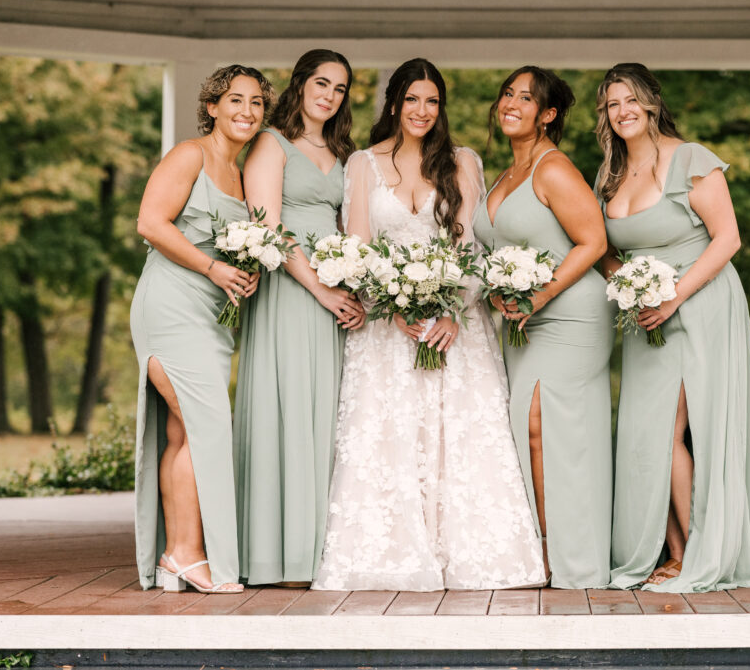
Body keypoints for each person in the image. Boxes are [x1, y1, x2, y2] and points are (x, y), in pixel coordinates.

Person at [312, 58, 544, 592]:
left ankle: (471, 553)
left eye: (432, 101)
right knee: (392, 433)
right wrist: (392, 305)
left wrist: (453, 311)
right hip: (386, 330)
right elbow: (361, 249)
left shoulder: (463, 161)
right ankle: (394, 553)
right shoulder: (364, 165)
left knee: (457, 436)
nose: (422, 111)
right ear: (393, 104)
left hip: (455, 323)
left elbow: (472, 245)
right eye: (412, 99)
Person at [598, 62, 750, 592]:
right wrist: (626, 282)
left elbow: (728, 239)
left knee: (672, 430)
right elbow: (604, 250)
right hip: (644, 314)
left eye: (631, 100)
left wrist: (673, 296)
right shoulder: (608, 174)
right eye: (611, 104)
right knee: (645, 433)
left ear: (650, 103)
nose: (622, 111)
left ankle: (697, 549)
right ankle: (669, 551)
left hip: (700, 303)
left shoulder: (690, 159)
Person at [130, 65, 273, 593]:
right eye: (235, 100)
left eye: (257, 103)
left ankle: (176, 556)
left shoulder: (243, 171)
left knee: (184, 430)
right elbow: (150, 222)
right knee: (206, 426)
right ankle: (189, 553)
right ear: (212, 106)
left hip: (214, 315)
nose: (246, 111)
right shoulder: (190, 154)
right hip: (172, 305)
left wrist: (245, 269)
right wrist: (213, 268)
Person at [473, 66, 614, 589]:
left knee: (542, 425)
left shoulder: (552, 169)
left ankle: (567, 557)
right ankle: (538, 550)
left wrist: (540, 293)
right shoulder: (506, 171)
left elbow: (593, 242)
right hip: (524, 321)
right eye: (507, 93)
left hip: (570, 314)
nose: (511, 103)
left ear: (548, 114)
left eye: (526, 98)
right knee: (525, 429)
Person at [233, 49, 363, 586]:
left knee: (326, 416)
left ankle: (317, 555)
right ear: (300, 84)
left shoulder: (343, 151)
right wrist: (321, 289)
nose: (329, 95)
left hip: (333, 298)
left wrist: (353, 284)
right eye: (321, 83)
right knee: (286, 410)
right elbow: (269, 227)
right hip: (291, 294)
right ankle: (275, 557)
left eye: (339, 88)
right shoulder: (272, 143)